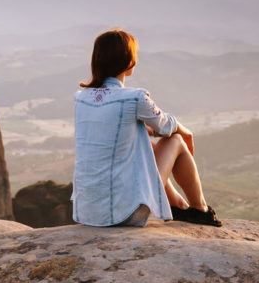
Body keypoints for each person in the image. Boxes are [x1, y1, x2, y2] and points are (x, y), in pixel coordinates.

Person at [71, 28, 222, 228]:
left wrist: (143, 130)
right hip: (124, 213)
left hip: (88, 212)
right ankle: (200, 209)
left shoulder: (81, 98)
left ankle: (178, 205)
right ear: (129, 61)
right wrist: (186, 132)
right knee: (175, 141)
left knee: (145, 142)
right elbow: (167, 126)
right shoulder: (135, 97)